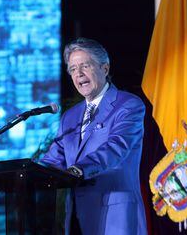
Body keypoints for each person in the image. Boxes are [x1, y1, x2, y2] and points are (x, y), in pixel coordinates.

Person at [40, 37, 147, 235]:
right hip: (76, 220)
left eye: (84, 66)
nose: (78, 74)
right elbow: (53, 160)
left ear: (104, 69)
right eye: (72, 69)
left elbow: (116, 147)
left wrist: (79, 170)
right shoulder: (69, 117)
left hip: (115, 217)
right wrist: (25, 173)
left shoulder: (128, 105)